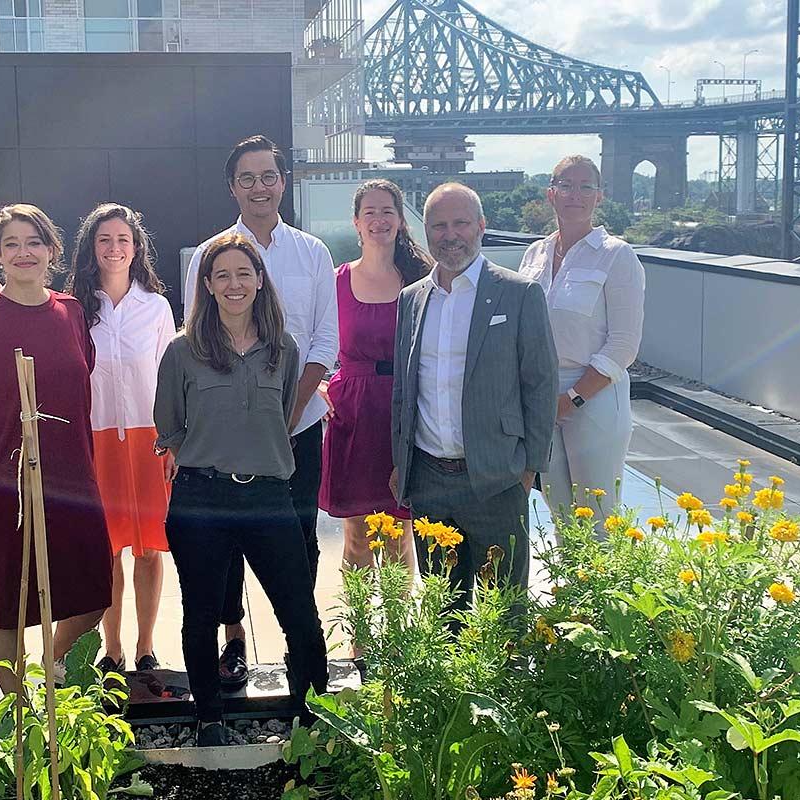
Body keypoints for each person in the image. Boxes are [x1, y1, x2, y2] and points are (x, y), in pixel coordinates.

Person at [155, 232, 328, 746]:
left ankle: (312, 716)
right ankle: (209, 718)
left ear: (259, 282)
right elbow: (169, 425)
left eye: (243, 274)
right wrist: (212, 454)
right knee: (201, 613)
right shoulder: (183, 351)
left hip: (270, 497)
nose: (234, 284)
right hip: (201, 500)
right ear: (207, 285)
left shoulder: (284, 349)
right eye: (222, 275)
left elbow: (283, 417)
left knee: (298, 609)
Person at [0, 203, 112, 694]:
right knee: (9, 604)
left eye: (33, 242)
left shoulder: (72, 313)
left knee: (93, 590)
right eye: (11, 244)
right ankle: (20, 718)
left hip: (73, 476)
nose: (23, 253)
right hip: (4, 486)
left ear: (51, 250)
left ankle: (53, 667)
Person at [183, 134, 337, 689]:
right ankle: (235, 641)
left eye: (268, 176)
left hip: (299, 424)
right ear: (232, 187)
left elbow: (324, 342)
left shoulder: (313, 253)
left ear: (284, 182)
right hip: (228, 436)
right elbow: (199, 343)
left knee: (299, 534)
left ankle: (302, 645)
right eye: (246, 178)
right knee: (222, 542)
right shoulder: (209, 254)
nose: (259, 187)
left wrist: (286, 415)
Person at [390, 183, 558, 603]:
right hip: (428, 480)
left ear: (481, 226)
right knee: (442, 611)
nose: (451, 235)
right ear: (426, 232)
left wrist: (529, 470)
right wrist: (401, 463)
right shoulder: (411, 299)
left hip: (496, 480)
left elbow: (540, 383)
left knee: (504, 611)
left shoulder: (519, 294)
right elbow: (403, 388)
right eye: (439, 225)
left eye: (461, 223)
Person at [67, 203, 176, 675]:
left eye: (123, 240)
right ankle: (110, 649)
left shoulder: (155, 306)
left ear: (137, 247)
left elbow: (171, 378)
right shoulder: (72, 308)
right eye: (104, 240)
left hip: (149, 439)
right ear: (92, 248)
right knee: (107, 547)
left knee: (149, 548)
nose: (114, 249)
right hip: (96, 440)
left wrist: (174, 438)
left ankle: (146, 647)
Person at [518, 156, 646, 524]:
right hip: (543, 394)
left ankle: (600, 584)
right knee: (560, 511)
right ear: (550, 194)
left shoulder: (616, 255)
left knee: (599, 515)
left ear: (599, 197)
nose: (575, 194)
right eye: (566, 185)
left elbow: (624, 344)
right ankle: (568, 584)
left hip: (594, 395)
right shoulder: (534, 254)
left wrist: (573, 398)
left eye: (585, 186)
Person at [319, 179, 430, 581]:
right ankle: (361, 639)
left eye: (388, 211)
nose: (379, 220)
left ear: (401, 221)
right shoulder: (334, 280)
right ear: (356, 222)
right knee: (358, 536)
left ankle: (399, 639)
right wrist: (315, 385)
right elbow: (300, 339)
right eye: (370, 212)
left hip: (404, 413)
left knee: (401, 534)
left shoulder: (424, 280)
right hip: (353, 412)